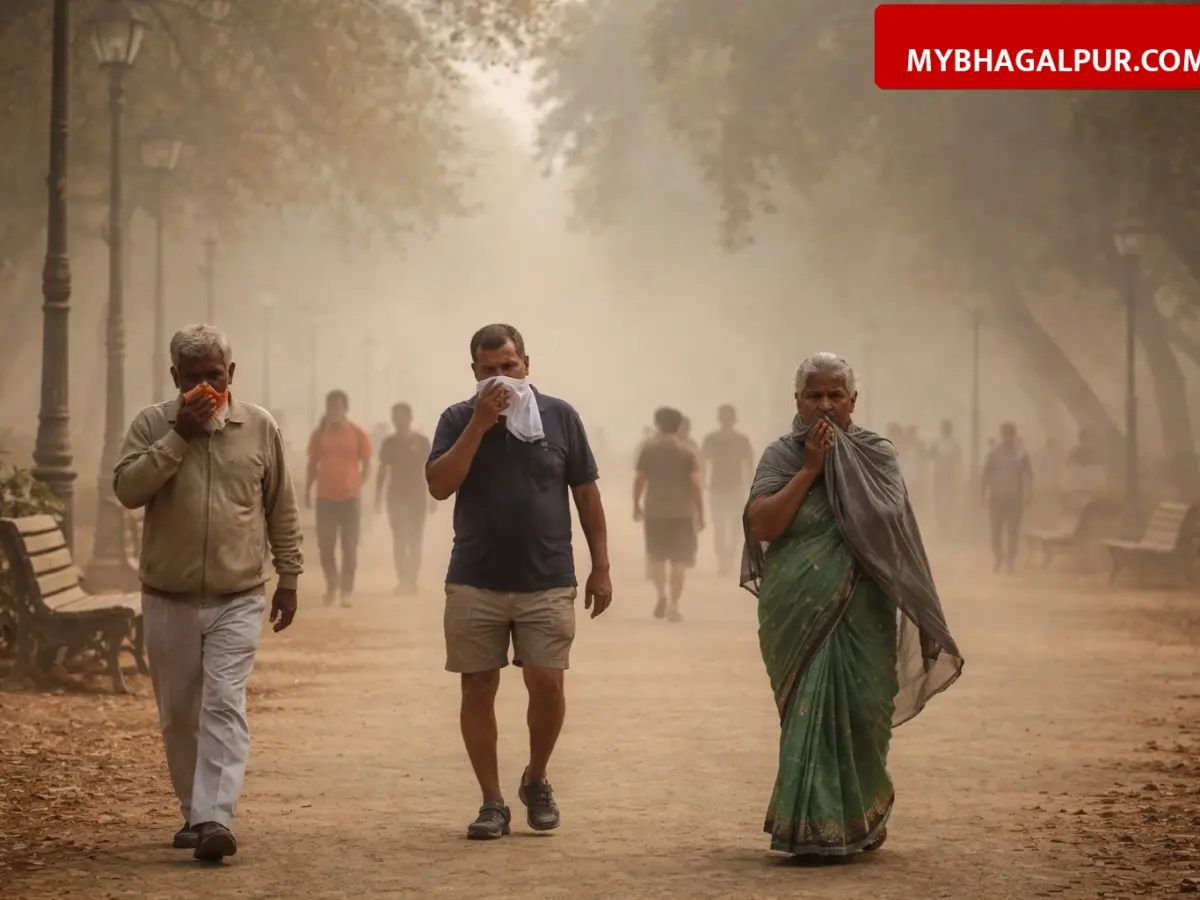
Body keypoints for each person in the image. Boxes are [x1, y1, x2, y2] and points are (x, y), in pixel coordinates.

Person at [742, 352, 962, 858]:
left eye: (834, 394)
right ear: (796, 401)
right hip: (798, 607)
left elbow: (888, 524)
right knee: (808, 711)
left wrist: (840, 467)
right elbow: (763, 526)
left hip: (863, 607)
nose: (824, 405)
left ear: (852, 400)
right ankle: (810, 829)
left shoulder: (876, 453)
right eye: (813, 395)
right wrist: (811, 470)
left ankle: (859, 812)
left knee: (864, 712)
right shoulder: (781, 455)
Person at [113, 325, 302, 863]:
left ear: (231, 374)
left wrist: (289, 576)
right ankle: (194, 812)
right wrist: (179, 437)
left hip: (237, 593)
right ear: (175, 378)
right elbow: (127, 490)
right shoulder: (152, 424)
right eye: (192, 377)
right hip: (167, 594)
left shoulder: (259, 426)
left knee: (223, 703)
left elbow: (281, 506)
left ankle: (216, 817)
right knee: (178, 712)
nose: (205, 387)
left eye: (213, 375)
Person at [426, 323, 612, 841]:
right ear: (474, 373)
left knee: (547, 684)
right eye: (489, 370)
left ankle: (536, 776)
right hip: (474, 578)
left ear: (527, 363)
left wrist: (601, 566)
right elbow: (440, 486)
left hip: (548, 576)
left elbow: (587, 495)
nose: (501, 377)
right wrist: (479, 426)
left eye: (509, 366)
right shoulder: (458, 418)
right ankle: (491, 802)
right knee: (478, 686)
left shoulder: (560, 417)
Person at [635, 407, 703, 620]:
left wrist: (635, 504)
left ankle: (661, 594)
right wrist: (701, 512)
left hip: (655, 511)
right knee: (678, 560)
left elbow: (640, 480)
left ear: (657, 424)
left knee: (657, 557)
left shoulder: (648, 451)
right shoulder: (687, 453)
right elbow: (695, 485)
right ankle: (674, 604)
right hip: (682, 512)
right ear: (679, 426)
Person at [306, 390, 371, 607]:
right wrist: (307, 490)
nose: (335, 410)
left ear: (345, 408)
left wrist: (358, 483)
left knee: (349, 546)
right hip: (325, 498)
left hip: (350, 499)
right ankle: (332, 586)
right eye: (331, 406)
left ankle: (346, 591)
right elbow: (312, 464)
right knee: (326, 545)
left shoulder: (358, 433)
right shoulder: (319, 434)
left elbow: (367, 464)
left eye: (338, 406)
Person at [376, 402, 434, 595]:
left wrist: (434, 495)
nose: (399, 421)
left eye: (402, 416)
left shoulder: (422, 442)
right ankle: (403, 580)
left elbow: (432, 468)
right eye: (396, 417)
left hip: (417, 497)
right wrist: (377, 496)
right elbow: (382, 470)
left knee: (415, 540)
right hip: (396, 497)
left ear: (409, 418)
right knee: (399, 540)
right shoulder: (389, 444)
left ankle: (412, 579)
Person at [701, 404, 755, 576]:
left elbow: (749, 463)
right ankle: (726, 558)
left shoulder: (734, 440)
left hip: (729, 486)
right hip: (725, 486)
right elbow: (703, 461)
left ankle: (726, 558)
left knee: (725, 526)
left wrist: (703, 479)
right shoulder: (734, 439)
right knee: (726, 525)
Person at [981, 421, 1033, 573]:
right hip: (996, 497)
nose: (1007, 438)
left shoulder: (1021, 454)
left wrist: (1029, 492)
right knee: (995, 530)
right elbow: (985, 474)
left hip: (1014, 497)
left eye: (1010, 435)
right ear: (1002, 435)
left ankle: (1010, 560)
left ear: (1014, 436)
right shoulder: (994, 453)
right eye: (1005, 435)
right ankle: (998, 557)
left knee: (1012, 531)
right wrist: (982, 494)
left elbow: (1029, 474)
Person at [930, 419, 962, 535]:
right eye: (945, 428)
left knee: (950, 499)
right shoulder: (936, 443)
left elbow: (958, 460)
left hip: (950, 475)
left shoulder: (954, 444)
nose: (946, 431)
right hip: (939, 475)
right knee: (938, 500)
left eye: (948, 428)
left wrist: (958, 474)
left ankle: (947, 523)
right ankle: (941, 524)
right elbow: (930, 457)